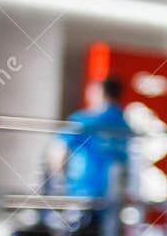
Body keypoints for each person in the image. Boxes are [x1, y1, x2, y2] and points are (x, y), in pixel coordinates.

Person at [47, 76, 132, 206]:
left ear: (100, 92)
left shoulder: (86, 121)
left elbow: (59, 150)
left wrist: (59, 182)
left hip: (83, 189)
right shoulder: (125, 124)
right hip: (115, 193)